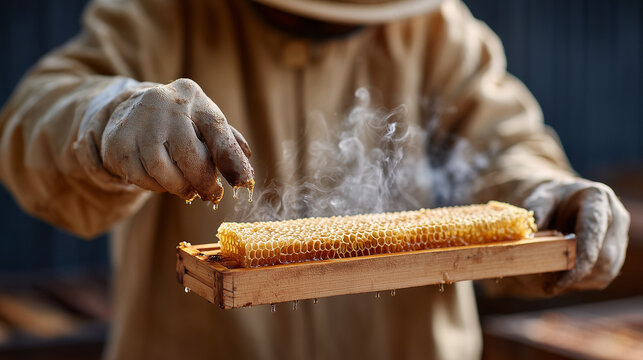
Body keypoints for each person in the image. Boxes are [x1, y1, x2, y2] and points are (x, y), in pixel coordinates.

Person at [0, 0, 629, 359]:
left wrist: (544, 193)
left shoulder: (439, 29)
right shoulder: (161, 14)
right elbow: (37, 117)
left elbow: (504, 150)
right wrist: (106, 115)